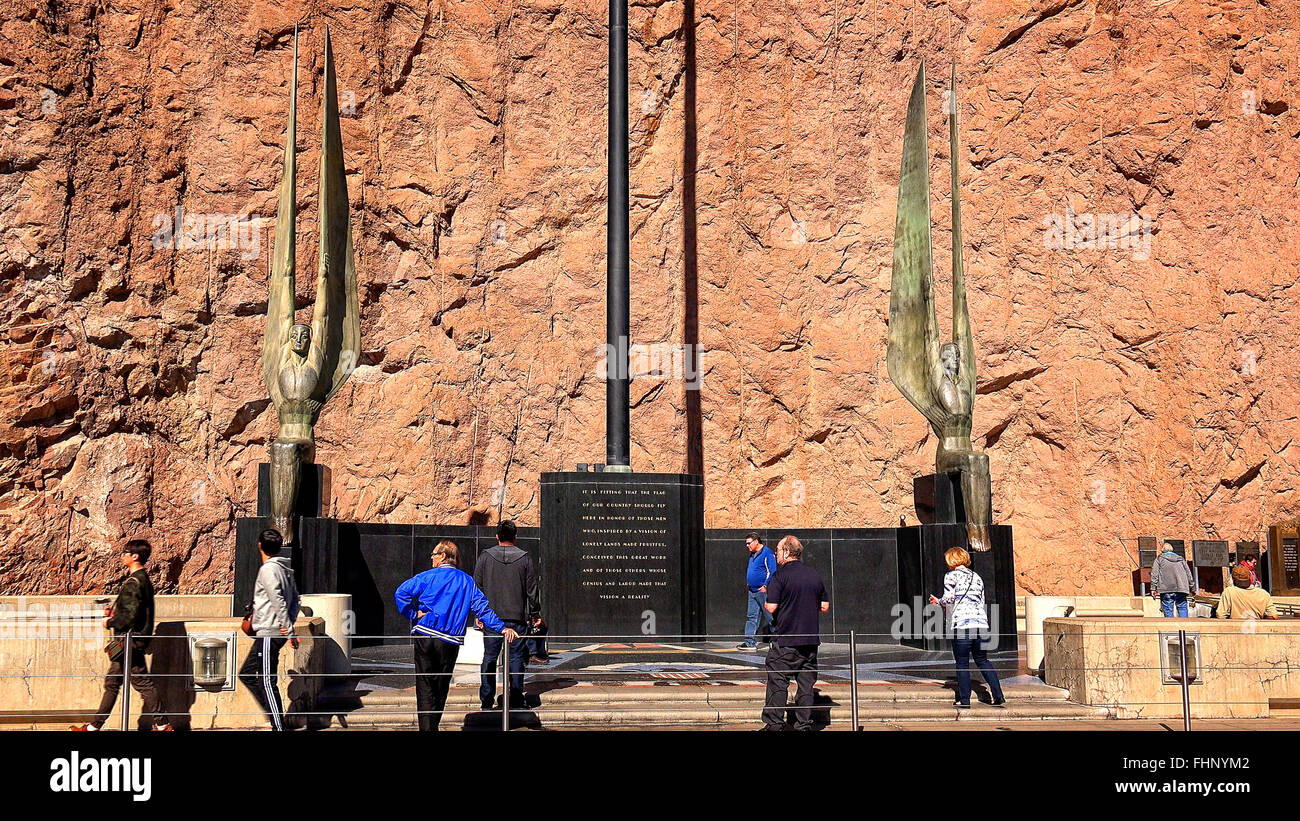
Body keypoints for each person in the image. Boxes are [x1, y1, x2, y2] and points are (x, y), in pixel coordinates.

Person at [396, 541, 518, 731]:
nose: (432, 557)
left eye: (434, 554)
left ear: (443, 556)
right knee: (442, 686)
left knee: (425, 684)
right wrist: (501, 628)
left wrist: (413, 613)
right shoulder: (466, 581)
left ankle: (428, 728)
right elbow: (482, 608)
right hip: (450, 642)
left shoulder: (427, 577)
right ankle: (432, 726)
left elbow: (401, 592)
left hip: (426, 636)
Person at [73, 539, 171, 731]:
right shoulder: (142, 579)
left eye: (125, 552)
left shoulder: (135, 582)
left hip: (129, 641)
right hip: (130, 641)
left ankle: (162, 724)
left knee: (141, 683)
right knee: (114, 682)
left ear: (135, 556)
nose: (122, 556)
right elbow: (134, 611)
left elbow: (129, 618)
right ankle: (95, 726)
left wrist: (109, 621)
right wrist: (115, 614)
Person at [760, 535, 829, 731]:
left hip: (787, 639)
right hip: (810, 640)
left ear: (787, 552)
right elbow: (824, 606)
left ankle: (774, 724)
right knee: (806, 685)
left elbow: (771, 608)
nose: (776, 555)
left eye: (777, 551)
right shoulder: (814, 575)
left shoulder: (780, 576)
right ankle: (803, 725)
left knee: (778, 681)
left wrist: (768, 601)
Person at [473, 520, 541, 710]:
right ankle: (517, 699)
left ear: (497, 537)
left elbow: (477, 588)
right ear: (515, 537)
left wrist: (479, 614)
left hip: (491, 618)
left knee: (490, 658)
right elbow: (532, 590)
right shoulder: (525, 558)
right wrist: (535, 613)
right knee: (516, 659)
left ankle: (486, 701)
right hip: (517, 618)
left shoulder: (485, 557)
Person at [237, 529, 300, 731]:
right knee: (247, 674)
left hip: (269, 632)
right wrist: (289, 622)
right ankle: (275, 718)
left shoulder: (268, 570)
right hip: (272, 630)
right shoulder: (285, 569)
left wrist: (289, 630)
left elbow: (278, 600)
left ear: (259, 545)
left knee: (266, 681)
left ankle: (278, 726)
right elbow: (296, 600)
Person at [929, 547, 1005, 709]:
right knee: (983, 661)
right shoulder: (977, 577)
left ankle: (964, 700)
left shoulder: (951, 576)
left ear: (952, 560)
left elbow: (949, 599)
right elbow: (981, 601)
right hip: (981, 625)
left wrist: (938, 602)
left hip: (962, 625)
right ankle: (998, 695)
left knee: (962, 664)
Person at [737, 533, 776, 651]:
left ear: (756, 541)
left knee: (770, 617)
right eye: (746, 543)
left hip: (762, 591)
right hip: (752, 591)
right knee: (751, 616)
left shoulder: (767, 553)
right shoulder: (753, 554)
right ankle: (749, 643)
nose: (747, 545)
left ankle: (778, 642)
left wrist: (765, 585)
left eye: (749, 543)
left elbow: (772, 571)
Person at [1151, 542, 1196, 617]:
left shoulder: (1159, 559)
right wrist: (1192, 588)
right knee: (1182, 608)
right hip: (1181, 588)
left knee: (1168, 609)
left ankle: (1170, 628)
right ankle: (1184, 627)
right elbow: (1189, 574)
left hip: (1166, 589)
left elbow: (1154, 574)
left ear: (1162, 550)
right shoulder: (1181, 559)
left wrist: (1153, 588)